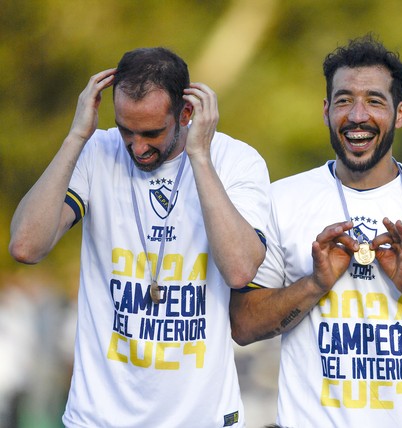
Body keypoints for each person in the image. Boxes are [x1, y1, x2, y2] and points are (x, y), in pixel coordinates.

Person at [228, 35, 402, 428]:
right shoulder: (281, 199)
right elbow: (243, 327)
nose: (357, 115)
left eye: (374, 100)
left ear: (400, 112)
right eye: (343, 100)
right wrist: (315, 283)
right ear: (325, 110)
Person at [8, 47, 270, 427]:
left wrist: (199, 155)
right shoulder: (97, 150)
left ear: (186, 113)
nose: (137, 146)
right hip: (98, 418)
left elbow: (240, 269)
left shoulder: (236, 161)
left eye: (152, 132)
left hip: (202, 419)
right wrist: (75, 137)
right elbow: (26, 246)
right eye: (126, 129)